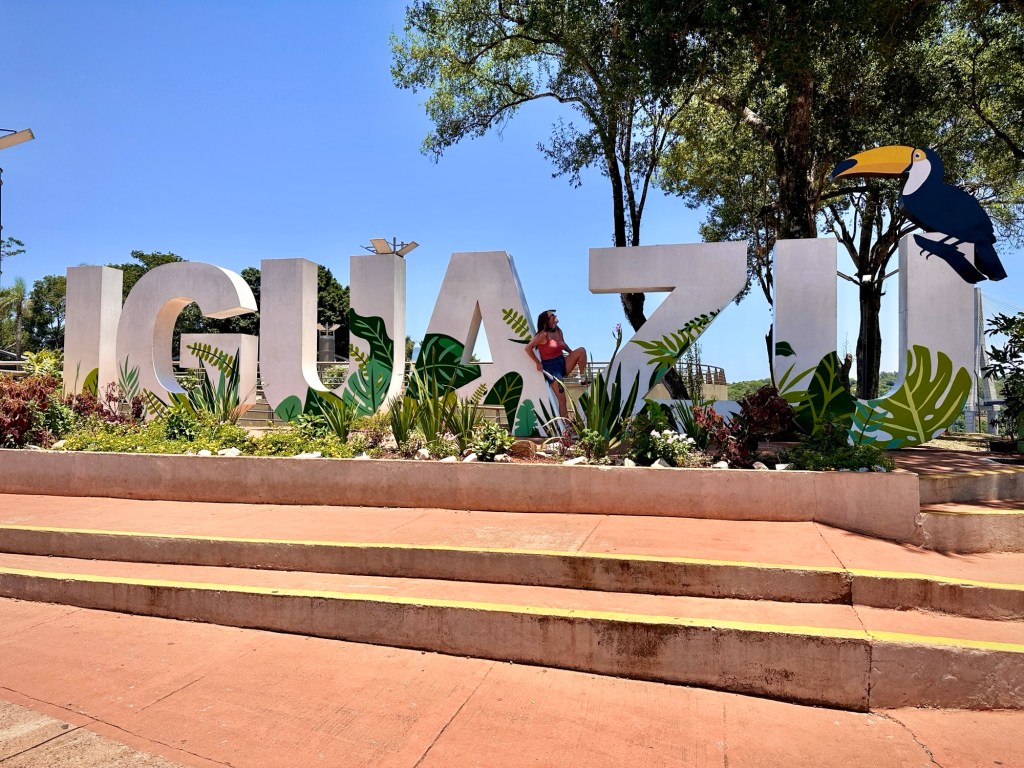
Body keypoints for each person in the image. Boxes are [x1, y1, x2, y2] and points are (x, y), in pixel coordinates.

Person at [525, 309, 589, 423]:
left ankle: (583, 378)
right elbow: (528, 348)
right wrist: (538, 363)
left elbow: (563, 344)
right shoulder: (543, 335)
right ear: (547, 320)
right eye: (552, 315)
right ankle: (567, 426)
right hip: (551, 368)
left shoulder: (558, 331)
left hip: (562, 362)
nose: (555, 316)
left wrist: (571, 353)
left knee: (581, 351)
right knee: (562, 400)